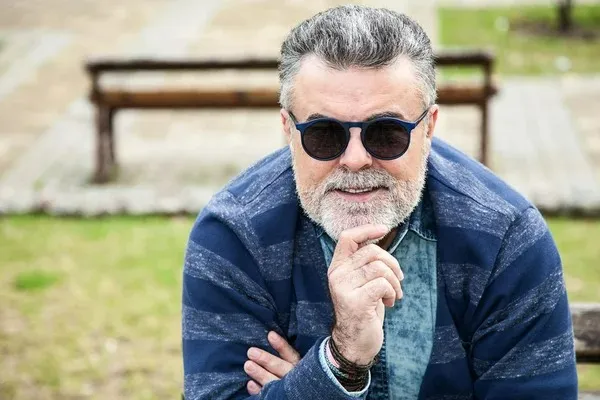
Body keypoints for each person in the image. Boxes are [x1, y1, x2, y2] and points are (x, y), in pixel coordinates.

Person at [181, 5, 577, 399]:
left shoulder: (505, 236)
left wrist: (309, 384)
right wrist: (343, 358)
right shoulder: (234, 234)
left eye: (386, 133)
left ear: (429, 127)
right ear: (288, 129)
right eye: (324, 133)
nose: (355, 159)